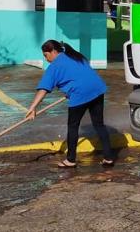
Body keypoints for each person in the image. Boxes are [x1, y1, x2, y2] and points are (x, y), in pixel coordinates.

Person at [25, 40, 114, 168]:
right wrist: (71, 88)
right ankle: (109, 158)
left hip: (80, 94)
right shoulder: (75, 55)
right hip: (97, 90)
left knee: (73, 127)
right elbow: (81, 75)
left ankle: (70, 160)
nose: (46, 59)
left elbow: (43, 89)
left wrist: (32, 108)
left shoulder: (54, 66)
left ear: (53, 52)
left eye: (46, 55)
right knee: (99, 125)